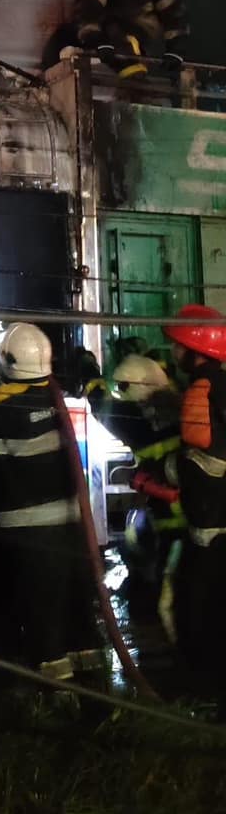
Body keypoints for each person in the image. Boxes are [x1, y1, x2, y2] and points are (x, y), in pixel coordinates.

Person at [0, 323, 104, 684]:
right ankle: (95, 692)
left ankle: (55, 691)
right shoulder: (53, 395)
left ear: (8, 362)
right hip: (70, 527)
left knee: (42, 612)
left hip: (30, 530)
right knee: (77, 610)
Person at [86, 353, 184, 628]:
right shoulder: (182, 404)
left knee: (156, 579)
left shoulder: (137, 417)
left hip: (167, 517)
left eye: (123, 388)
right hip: (196, 514)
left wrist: (91, 377)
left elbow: (101, 406)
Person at [162, 304, 226, 710]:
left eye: (176, 345)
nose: (172, 353)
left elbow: (200, 459)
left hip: (211, 528)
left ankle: (206, 695)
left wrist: (161, 475)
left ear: (193, 348)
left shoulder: (200, 392)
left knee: (200, 610)